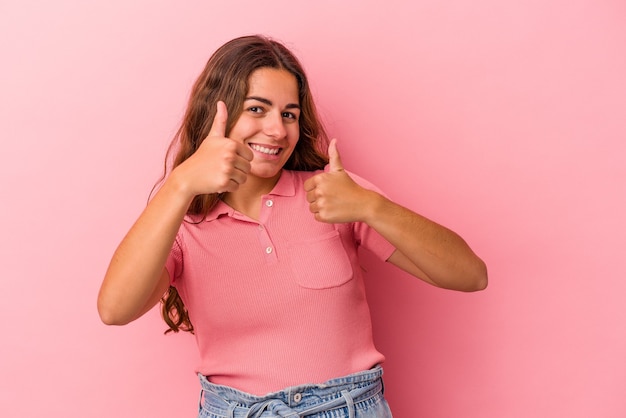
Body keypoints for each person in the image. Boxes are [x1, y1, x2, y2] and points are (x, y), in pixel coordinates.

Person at [97, 34, 487, 418]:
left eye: (289, 114)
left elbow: (470, 275)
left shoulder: (334, 194)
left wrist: (371, 206)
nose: (277, 130)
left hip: (348, 408)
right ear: (217, 112)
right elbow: (115, 309)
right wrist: (180, 184)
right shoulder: (182, 225)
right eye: (256, 109)